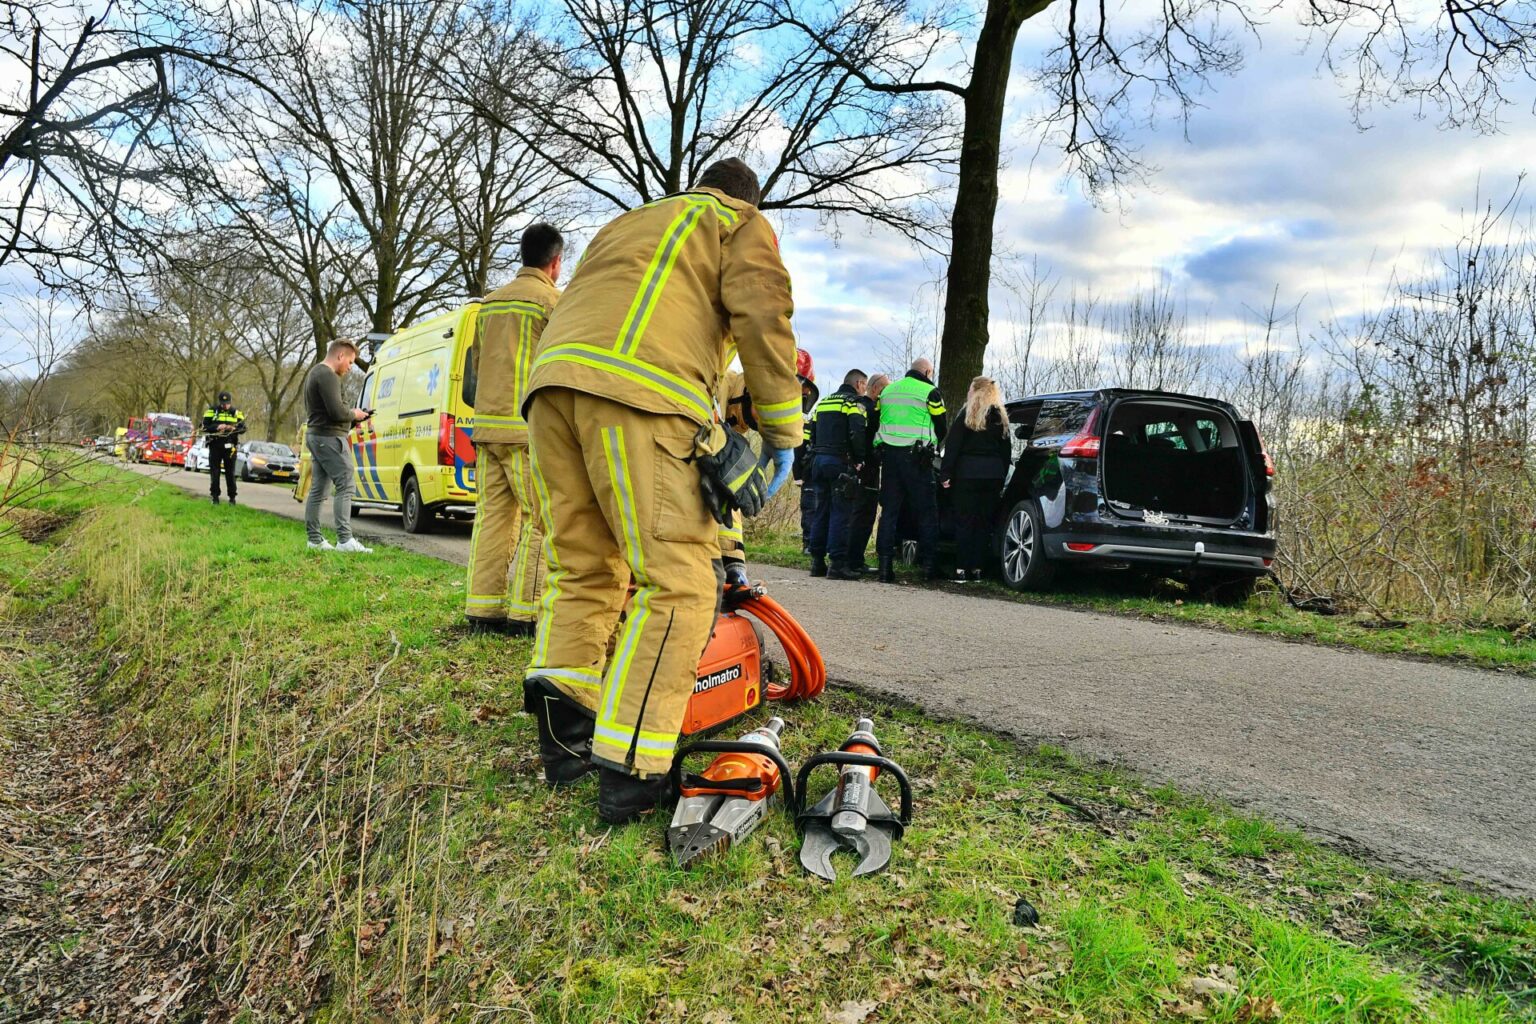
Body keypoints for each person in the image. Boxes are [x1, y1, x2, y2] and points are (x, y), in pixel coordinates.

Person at [520, 158, 802, 824]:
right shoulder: (737, 221)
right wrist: (785, 429)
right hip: (635, 393)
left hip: (551, 390)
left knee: (587, 570)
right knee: (677, 582)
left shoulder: (630, 223)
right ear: (746, 199)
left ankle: (567, 749)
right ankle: (633, 777)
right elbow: (764, 312)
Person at [464, 224, 564, 637]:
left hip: (487, 429)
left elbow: (476, 366)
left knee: (491, 519)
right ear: (555, 263)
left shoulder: (487, 305)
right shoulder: (553, 303)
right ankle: (525, 613)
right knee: (540, 519)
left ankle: (482, 609)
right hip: (527, 432)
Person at [874, 357, 947, 582]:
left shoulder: (887, 392)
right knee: (927, 512)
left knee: (889, 512)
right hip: (918, 458)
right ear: (926, 372)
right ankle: (928, 566)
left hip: (889, 457)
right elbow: (942, 425)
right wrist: (934, 445)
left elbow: (877, 419)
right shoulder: (930, 392)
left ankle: (884, 567)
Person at [303, 339, 374, 553]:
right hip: (329, 439)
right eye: (350, 362)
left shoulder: (315, 373)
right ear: (340, 356)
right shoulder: (327, 375)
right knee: (345, 483)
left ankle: (314, 540)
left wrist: (354, 419)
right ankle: (345, 540)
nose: (350, 367)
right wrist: (355, 414)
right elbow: (337, 412)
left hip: (318, 436)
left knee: (320, 489)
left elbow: (329, 413)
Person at [940, 376, 1011, 582]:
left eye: (970, 388)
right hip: (992, 475)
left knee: (964, 521)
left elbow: (953, 446)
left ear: (976, 390)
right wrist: (1002, 475)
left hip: (967, 474)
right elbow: (1006, 451)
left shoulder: (967, 414)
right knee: (983, 523)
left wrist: (946, 473)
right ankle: (978, 569)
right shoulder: (1000, 416)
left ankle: (961, 568)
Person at [806, 369, 868, 580]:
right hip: (840, 462)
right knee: (841, 512)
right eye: (865, 386)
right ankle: (838, 564)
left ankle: (817, 562)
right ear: (859, 383)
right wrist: (860, 459)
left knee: (821, 510)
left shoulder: (823, 402)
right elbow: (857, 432)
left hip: (819, 461)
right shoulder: (853, 403)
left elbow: (811, 431)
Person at [844, 372, 888, 573]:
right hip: (867, 468)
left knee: (861, 513)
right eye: (885, 389)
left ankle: (854, 558)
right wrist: (864, 459)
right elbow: (861, 435)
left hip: (861, 466)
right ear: (876, 388)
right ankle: (854, 560)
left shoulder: (860, 406)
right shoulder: (868, 408)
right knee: (863, 514)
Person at [201, 390, 246, 505]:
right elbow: (203, 427)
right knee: (215, 473)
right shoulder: (212, 411)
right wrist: (216, 427)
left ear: (230, 402)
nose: (225, 405)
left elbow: (243, 428)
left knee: (230, 473)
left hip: (230, 447)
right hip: (215, 445)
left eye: (227, 403)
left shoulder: (236, 413)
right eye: (222, 403)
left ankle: (232, 498)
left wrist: (233, 429)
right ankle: (215, 497)